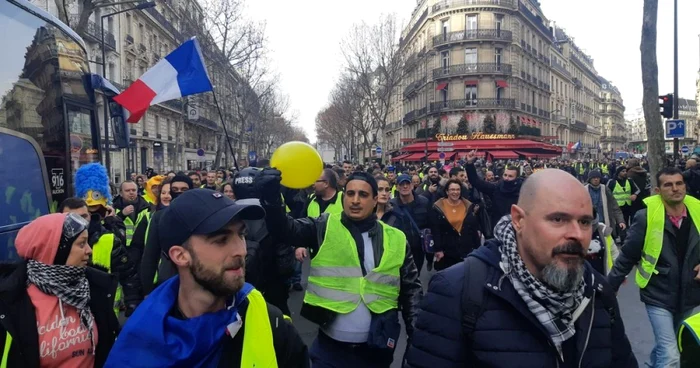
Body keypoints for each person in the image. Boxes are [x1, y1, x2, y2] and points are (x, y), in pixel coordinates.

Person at [405, 169, 637, 367]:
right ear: (518, 220)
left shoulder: (597, 290)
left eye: (585, 222)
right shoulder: (456, 291)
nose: (577, 234)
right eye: (558, 219)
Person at [104, 189, 309, 367]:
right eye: (221, 240)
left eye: (242, 235)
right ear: (180, 255)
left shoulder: (273, 325)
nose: (241, 250)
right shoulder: (139, 341)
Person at [259, 169, 422, 368]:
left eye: (363, 195)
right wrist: (272, 199)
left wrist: (416, 339)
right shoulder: (324, 225)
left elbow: (411, 290)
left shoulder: (396, 238)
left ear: (374, 200)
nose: (355, 200)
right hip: (330, 351)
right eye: (350, 194)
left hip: (376, 349)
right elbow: (285, 230)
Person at [0, 213, 120, 367]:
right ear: (54, 250)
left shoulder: (96, 287)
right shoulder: (11, 300)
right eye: (82, 244)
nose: (89, 250)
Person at [608, 167, 700, 368]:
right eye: (668, 185)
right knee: (671, 356)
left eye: (679, 183)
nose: (675, 188)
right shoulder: (645, 217)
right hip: (657, 293)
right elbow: (627, 256)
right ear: (658, 191)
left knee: (667, 345)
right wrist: (609, 288)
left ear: (685, 186)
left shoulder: (698, 210)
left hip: (689, 293)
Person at [139, 175, 193, 293]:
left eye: (184, 190)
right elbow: (150, 255)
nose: (179, 193)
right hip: (167, 278)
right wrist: (147, 291)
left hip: (194, 278)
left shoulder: (199, 215)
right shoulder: (159, 217)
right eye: (175, 190)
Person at [429, 179, 481, 271]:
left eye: (458, 190)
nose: (455, 192)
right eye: (452, 190)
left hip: (466, 249)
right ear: (447, 191)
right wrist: (438, 249)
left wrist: (478, 248)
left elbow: (473, 229)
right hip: (447, 252)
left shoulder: (467, 205)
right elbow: (436, 230)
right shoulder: (438, 207)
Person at [464, 150, 524, 222]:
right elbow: (476, 182)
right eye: (505, 175)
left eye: (510, 176)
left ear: (516, 178)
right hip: (497, 227)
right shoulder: (496, 188)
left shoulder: (523, 190)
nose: (507, 178)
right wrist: (470, 163)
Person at [391, 174, 432, 273]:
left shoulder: (424, 202)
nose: (405, 186)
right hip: (400, 250)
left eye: (407, 184)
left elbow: (431, 225)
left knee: (415, 274)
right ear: (397, 187)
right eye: (402, 184)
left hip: (418, 249)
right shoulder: (392, 205)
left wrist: (432, 253)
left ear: (412, 185)